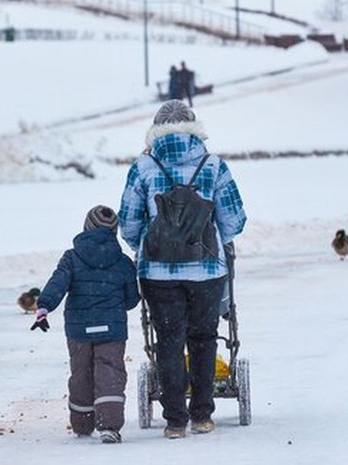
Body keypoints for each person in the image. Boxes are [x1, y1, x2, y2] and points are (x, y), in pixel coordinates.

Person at [118, 100, 246, 439]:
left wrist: (145, 244)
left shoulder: (143, 166)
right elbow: (234, 219)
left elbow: (128, 222)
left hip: (158, 274)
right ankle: (202, 415)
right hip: (207, 273)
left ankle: (175, 421)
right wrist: (212, 242)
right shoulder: (213, 164)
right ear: (193, 126)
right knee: (203, 338)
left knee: (168, 340)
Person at [30, 205, 140, 444]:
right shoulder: (123, 262)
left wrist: (44, 307)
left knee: (81, 373)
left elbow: (57, 283)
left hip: (79, 329)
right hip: (112, 330)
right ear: (114, 231)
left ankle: (82, 423)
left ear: (86, 227)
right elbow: (132, 300)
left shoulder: (72, 257)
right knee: (110, 373)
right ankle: (109, 426)